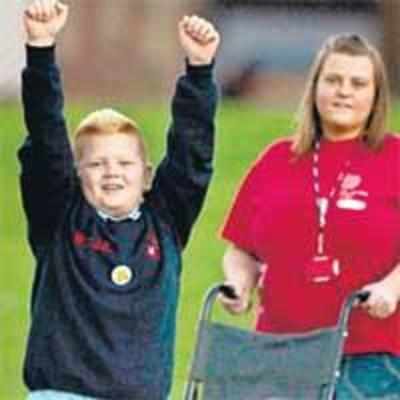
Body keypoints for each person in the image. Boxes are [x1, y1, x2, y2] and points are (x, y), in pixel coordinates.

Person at [19, 1, 220, 399]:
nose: (112, 171)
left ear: (146, 175)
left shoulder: (164, 224)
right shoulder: (60, 218)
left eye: (125, 162)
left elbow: (191, 154)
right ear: (77, 175)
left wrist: (199, 71)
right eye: (97, 164)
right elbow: (47, 139)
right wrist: (41, 50)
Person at [220, 33, 400, 398]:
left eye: (358, 83)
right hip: (281, 349)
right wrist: (238, 283)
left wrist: (391, 288)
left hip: (369, 356)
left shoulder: (394, 158)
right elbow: (241, 248)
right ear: (314, 87)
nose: (343, 91)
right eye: (333, 80)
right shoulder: (277, 160)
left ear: (376, 96)